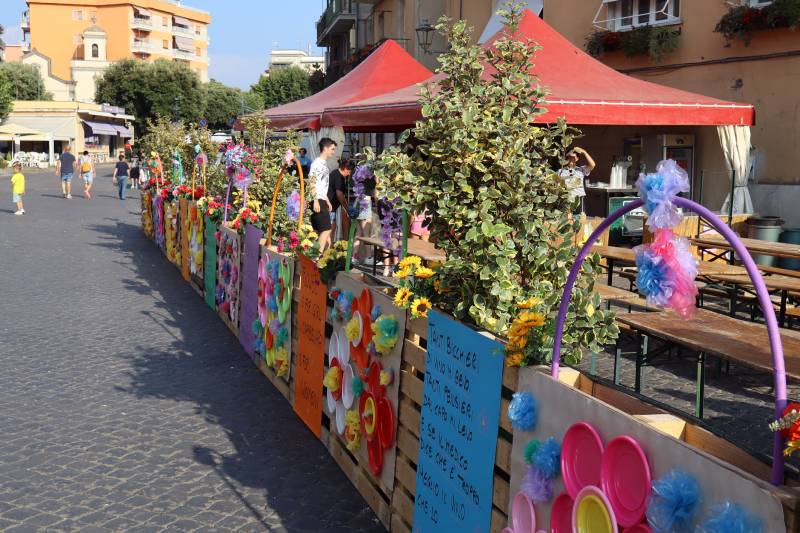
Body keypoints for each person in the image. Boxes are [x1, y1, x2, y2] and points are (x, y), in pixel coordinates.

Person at [309, 138, 336, 252]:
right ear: (325, 148)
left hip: (321, 199)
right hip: (317, 199)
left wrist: (327, 200)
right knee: (326, 229)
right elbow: (311, 181)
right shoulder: (317, 163)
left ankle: (314, 256)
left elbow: (322, 184)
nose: (333, 152)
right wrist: (315, 200)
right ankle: (316, 257)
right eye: (332, 149)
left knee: (319, 231)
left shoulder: (324, 164)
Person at [558, 147, 596, 214]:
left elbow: (592, 165)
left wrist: (584, 152)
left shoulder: (581, 169)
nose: (571, 159)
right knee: (567, 219)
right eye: (570, 157)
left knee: (581, 218)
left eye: (573, 157)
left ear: (577, 159)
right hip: (566, 198)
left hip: (578, 197)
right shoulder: (560, 171)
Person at [327, 158, 352, 242]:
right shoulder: (338, 176)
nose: (349, 174)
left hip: (332, 206)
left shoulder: (337, 174)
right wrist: (347, 208)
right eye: (349, 171)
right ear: (345, 169)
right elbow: (339, 194)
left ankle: (328, 249)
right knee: (330, 229)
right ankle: (325, 250)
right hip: (328, 206)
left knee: (333, 227)